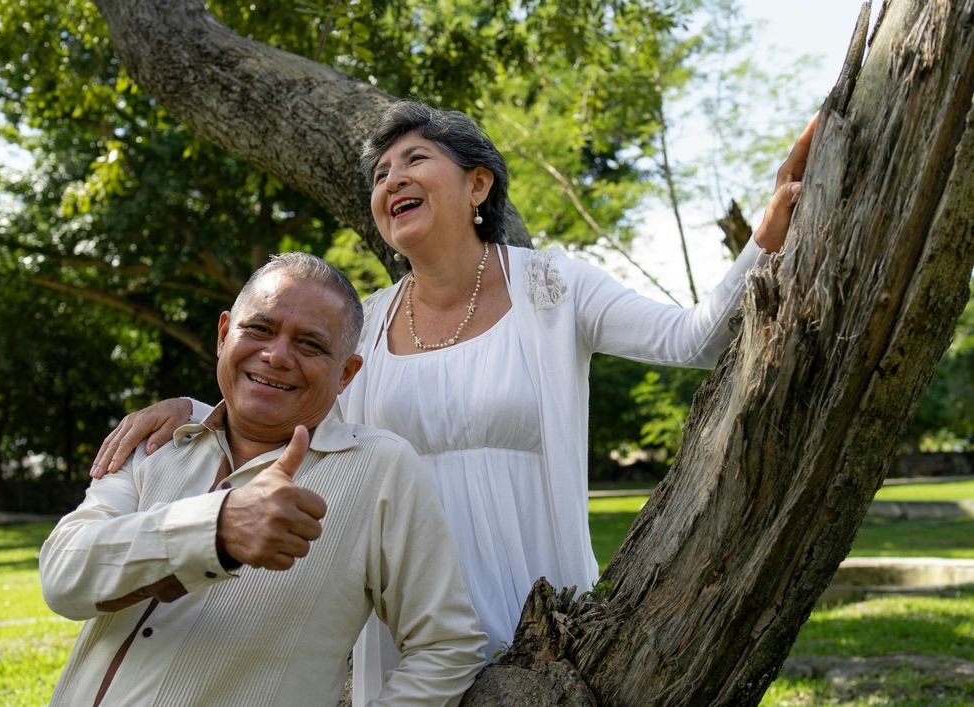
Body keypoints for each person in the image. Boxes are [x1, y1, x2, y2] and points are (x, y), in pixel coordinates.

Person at [91, 102, 817, 703]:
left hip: (546, 621)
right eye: (380, 174)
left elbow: (693, 337)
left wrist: (769, 232)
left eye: (414, 160)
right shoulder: (361, 324)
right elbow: (281, 414)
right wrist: (191, 406)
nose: (392, 178)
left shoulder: (554, 288)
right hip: (406, 636)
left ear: (477, 185)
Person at [42, 252, 486, 706]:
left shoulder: (379, 468)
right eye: (259, 329)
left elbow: (445, 646)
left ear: (347, 374)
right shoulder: (156, 441)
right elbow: (62, 579)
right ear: (223, 335)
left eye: (310, 345)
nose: (276, 356)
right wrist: (215, 530)